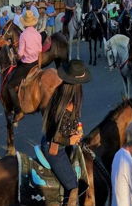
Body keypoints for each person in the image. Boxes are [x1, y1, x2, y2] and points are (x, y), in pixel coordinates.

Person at [41, 60, 90, 206]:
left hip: (48, 139)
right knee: (73, 187)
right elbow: (56, 136)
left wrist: (76, 129)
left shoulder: (60, 94)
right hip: (55, 148)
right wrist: (71, 140)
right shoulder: (66, 106)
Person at [6, 10, 42, 121]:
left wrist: (16, 57)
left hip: (26, 65)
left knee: (10, 86)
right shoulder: (38, 34)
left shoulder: (23, 35)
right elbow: (40, 51)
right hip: (36, 63)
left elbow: (21, 54)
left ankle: (18, 110)